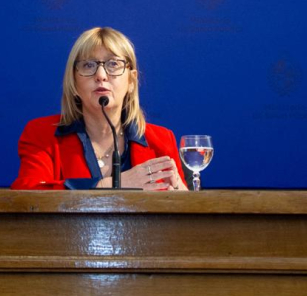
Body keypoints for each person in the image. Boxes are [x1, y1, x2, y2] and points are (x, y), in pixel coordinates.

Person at [11, 27, 187, 190]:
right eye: (88, 65)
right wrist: (112, 184)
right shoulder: (41, 135)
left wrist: (184, 199)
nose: (101, 76)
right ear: (73, 82)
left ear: (131, 81)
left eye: (113, 64)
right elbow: (28, 195)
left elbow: (182, 213)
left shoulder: (162, 140)